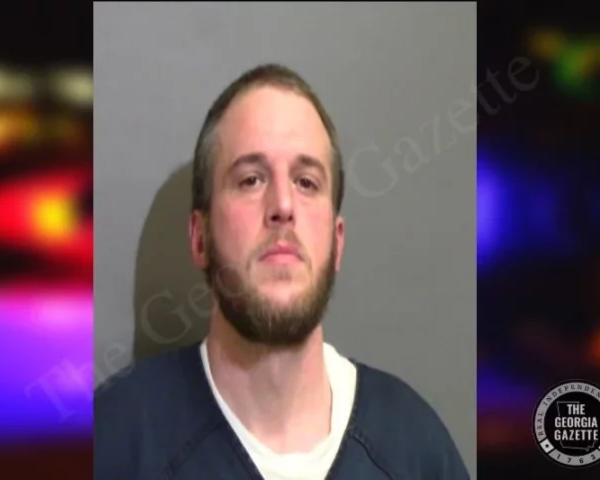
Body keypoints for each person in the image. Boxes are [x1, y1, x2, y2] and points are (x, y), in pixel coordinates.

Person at [94, 63, 470, 480]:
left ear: (337, 242)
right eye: (251, 179)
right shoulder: (114, 442)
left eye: (306, 182)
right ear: (200, 239)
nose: (283, 206)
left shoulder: (415, 450)